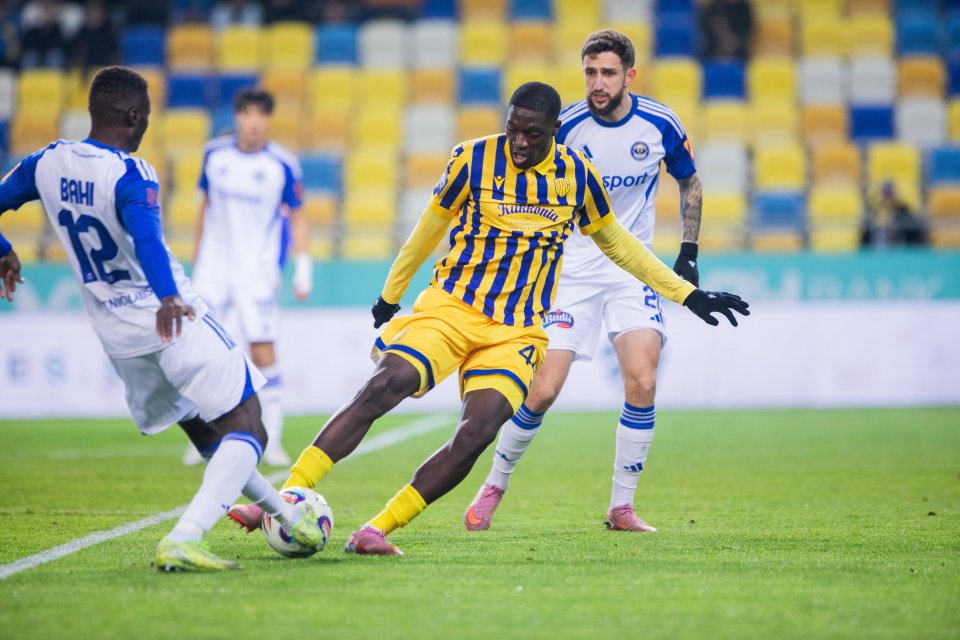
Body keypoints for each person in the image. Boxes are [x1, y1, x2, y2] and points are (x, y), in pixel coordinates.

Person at [226, 81, 749, 555]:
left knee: (477, 432)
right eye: (513, 129)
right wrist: (391, 295)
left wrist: (687, 295)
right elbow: (428, 231)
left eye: (532, 134)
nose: (519, 142)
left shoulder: (576, 176)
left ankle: (377, 529)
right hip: (452, 307)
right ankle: (283, 497)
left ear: (554, 131)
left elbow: (620, 245)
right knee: (386, 384)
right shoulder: (472, 159)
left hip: (516, 331)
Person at [0, 66, 322, 572]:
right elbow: (146, 238)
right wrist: (170, 296)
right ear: (134, 116)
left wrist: (3, 247)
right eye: (147, 115)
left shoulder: (47, 161)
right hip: (168, 319)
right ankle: (185, 537)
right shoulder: (131, 173)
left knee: (210, 435)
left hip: (116, 336)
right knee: (249, 428)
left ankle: (287, 516)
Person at [464, 29, 704, 534]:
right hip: (571, 272)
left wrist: (688, 251)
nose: (598, 82)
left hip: (631, 270)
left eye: (608, 73)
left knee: (643, 380)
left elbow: (690, 180)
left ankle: (621, 506)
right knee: (542, 390)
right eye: (591, 72)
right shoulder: (566, 126)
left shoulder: (659, 123)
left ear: (629, 75)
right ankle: (494, 485)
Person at [183, 87, 311, 468]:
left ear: (268, 120)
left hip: (257, 271)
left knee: (262, 350)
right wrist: (195, 263)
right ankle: (204, 438)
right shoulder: (214, 155)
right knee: (204, 353)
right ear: (237, 117)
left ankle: (272, 441)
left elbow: (298, 217)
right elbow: (204, 209)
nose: (253, 122)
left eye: (261, 115)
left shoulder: (282, 164)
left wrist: (303, 267)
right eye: (247, 114)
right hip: (213, 270)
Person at [860, 181, 929, 248]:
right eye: (885, 195)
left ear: (895, 195)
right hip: (877, 250)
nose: (888, 199)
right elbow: (865, 239)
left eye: (890, 195)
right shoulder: (874, 212)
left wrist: (896, 223)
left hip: (899, 250)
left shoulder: (903, 211)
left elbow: (914, 232)